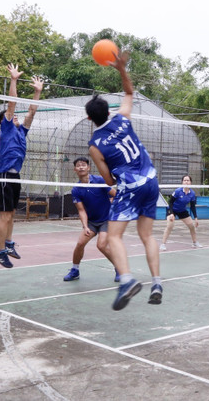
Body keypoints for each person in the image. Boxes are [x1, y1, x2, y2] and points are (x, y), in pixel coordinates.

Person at [86, 50, 162, 310]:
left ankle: (127, 280)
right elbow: (129, 94)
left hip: (129, 186)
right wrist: (120, 68)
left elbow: (108, 180)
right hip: (151, 180)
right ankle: (156, 282)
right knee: (147, 235)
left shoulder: (95, 145)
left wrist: (113, 178)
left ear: (89, 118)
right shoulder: (122, 118)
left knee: (113, 236)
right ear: (109, 111)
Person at [0, 64, 43, 268]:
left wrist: (37, 92)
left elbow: (31, 110)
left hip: (14, 176)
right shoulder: (7, 127)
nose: (16, 116)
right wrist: (14, 79)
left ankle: (9, 244)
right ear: (5, 120)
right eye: (12, 116)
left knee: (11, 213)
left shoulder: (22, 132)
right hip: (3, 176)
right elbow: (11, 104)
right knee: (5, 215)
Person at [63, 157, 119, 282]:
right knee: (80, 243)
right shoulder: (76, 189)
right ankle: (75, 270)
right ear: (75, 169)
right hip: (91, 222)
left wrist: (111, 204)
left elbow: (115, 194)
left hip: (106, 220)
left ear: (88, 168)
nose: (81, 167)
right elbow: (81, 210)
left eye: (84, 165)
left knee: (101, 245)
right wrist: (85, 226)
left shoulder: (99, 180)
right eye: (78, 165)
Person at [160, 175, 202, 250]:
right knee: (170, 225)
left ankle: (195, 242)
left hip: (182, 210)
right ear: (182, 182)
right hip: (172, 209)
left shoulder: (192, 193)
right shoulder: (178, 191)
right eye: (185, 180)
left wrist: (195, 218)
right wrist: (172, 213)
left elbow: (192, 206)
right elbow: (170, 202)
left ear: (190, 183)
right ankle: (163, 244)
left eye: (188, 180)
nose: (186, 182)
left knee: (192, 226)